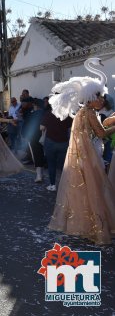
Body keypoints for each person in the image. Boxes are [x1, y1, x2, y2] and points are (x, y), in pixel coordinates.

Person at [48, 71, 115, 244]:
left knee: (88, 192)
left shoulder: (84, 112)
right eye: (99, 97)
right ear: (90, 98)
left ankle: (89, 226)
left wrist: (112, 119)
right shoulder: (90, 113)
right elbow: (101, 133)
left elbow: (100, 125)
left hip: (88, 156)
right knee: (96, 191)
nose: (102, 100)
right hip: (91, 157)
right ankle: (97, 229)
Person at [40, 105, 72, 191]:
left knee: (51, 164)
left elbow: (41, 127)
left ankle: (52, 185)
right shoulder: (67, 114)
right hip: (64, 142)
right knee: (64, 165)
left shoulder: (49, 114)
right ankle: (65, 185)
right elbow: (70, 128)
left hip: (50, 142)